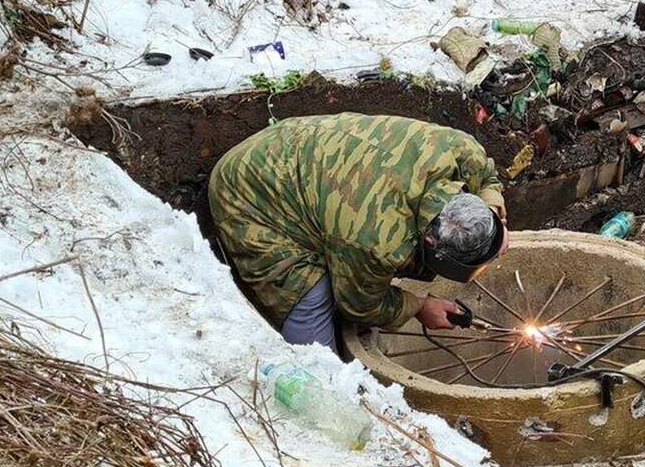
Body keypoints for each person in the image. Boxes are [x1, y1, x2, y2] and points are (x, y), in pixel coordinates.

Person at [208, 113, 508, 353]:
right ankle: (321, 390)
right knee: (312, 297)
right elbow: (361, 304)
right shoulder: (377, 240)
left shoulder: (463, 152)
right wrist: (419, 306)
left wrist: (493, 208)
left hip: (301, 150)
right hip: (251, 190)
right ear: (430, 241)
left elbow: (488, 179)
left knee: (344, 248)